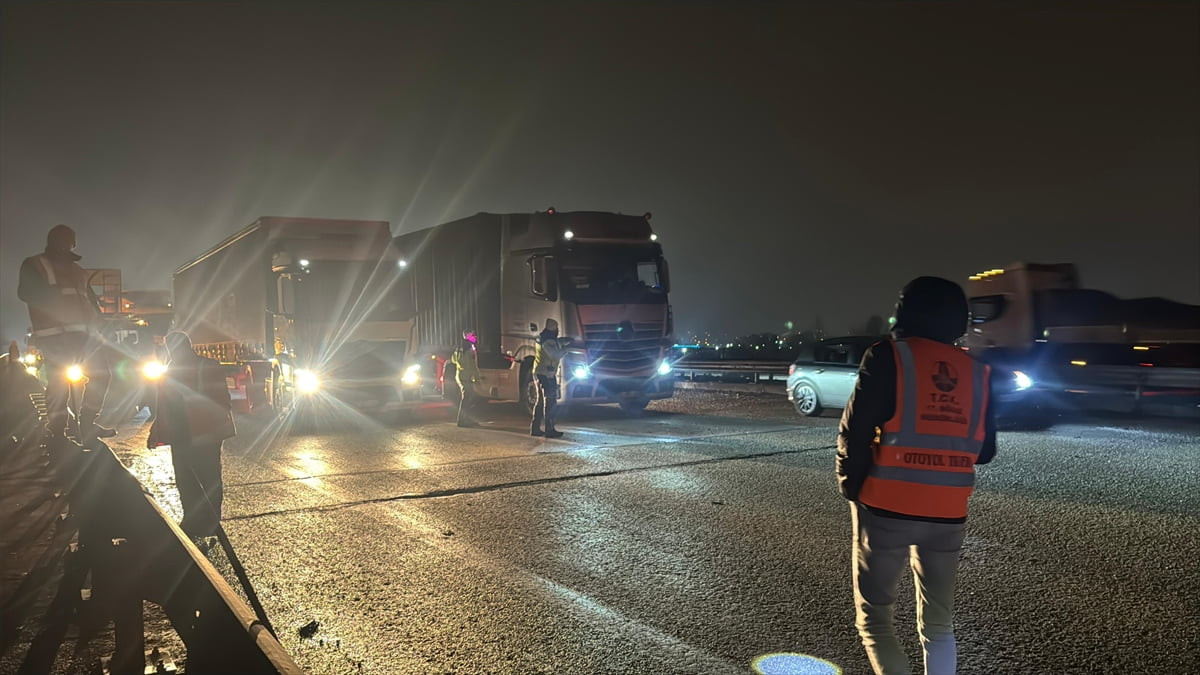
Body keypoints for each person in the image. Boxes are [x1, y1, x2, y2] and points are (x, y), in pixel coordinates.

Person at [836, 276, 996, 675]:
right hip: (948, 514)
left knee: (875, 620)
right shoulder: (977, 372)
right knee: (939, 624)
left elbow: (855, 432)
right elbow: (986, 451)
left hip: (886, 505)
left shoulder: (888, 356)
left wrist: (852, 488)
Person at [17, 224, 114, 443]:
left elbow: (88, 299)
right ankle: (58, 432)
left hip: (84, 336)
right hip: (54, 336)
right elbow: (25, 293)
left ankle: (87, 423)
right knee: (59, 383)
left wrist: (101, 322)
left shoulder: (79, 272)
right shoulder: (35, 264)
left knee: (102, 374)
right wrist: (51, 300)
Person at [147, 331, 235, 541]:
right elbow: (165, 405)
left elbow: (165, 405)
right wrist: (156, 431)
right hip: (196, 433)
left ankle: (201, 522)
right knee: (203, 478)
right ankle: (203, 522)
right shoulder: (201, 366)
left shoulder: (174, 371)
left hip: (192, 432)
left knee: (194, 478)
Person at [530, 318, 572, 438]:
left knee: (540, 402)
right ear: (553, 329)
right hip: (545, 374)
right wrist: (567, 349)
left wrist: (566, 341)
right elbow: (555, 354)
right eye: (557, 328)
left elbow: (557, 342)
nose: (558, 331)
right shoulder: (548, 341)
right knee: (550, 401)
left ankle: (535, 428)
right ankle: (549, 429)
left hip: (540, 372)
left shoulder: (544, 338)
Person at [451, 330, 482, 428]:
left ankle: (466, 419)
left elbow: (453, 359)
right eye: (472, 335)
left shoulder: (459, 348)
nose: (475, 337)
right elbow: (473, 365)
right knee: (467, 398)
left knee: (468, 397)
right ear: (468, 336)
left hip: (460, 375)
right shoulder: (470, 348)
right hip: (466, 376)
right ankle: (462, 420)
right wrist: (477, 378)